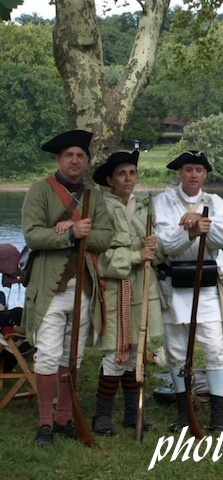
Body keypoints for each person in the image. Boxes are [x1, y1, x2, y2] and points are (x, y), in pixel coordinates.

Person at [22, 130, 114, 446]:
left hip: (84, 289)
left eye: (80, 156)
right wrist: (71, 233)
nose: (75, 161)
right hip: (49, 288)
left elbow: (105, 236)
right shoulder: (40, 191)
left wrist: (80, 230)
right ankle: (45, 423)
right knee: (48, 355)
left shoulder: (94, 197)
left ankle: (63, 418)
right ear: (58, 159)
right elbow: (33, 235)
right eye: (69, 155)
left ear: (86, 161)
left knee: (72, 356)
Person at [153, 151, 223, 432]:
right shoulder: (163, 202)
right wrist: (190, 233)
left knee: (214, 348)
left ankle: (217, 413)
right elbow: (165, 245)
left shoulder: (215, 203)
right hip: (173, 285)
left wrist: (203, 223)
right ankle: (184, 409)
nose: (193, 175)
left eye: (199, 170)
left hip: (206, 286)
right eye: (188, 169)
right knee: (176, 350)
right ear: (180, 172)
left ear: (205, 174)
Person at [90, 151, 164, 435]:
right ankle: (102, 416)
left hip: (142, 288)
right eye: (122, 174)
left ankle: (133, 414)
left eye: (132, 173)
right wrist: (135, 256)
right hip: (114, 291)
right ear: (110, 180)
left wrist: (154, 248)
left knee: (136, 352)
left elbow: (157, 255)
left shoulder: (145, 208)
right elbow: (98, 256)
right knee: (115, 352)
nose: (128, 178)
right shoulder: (101, 209)